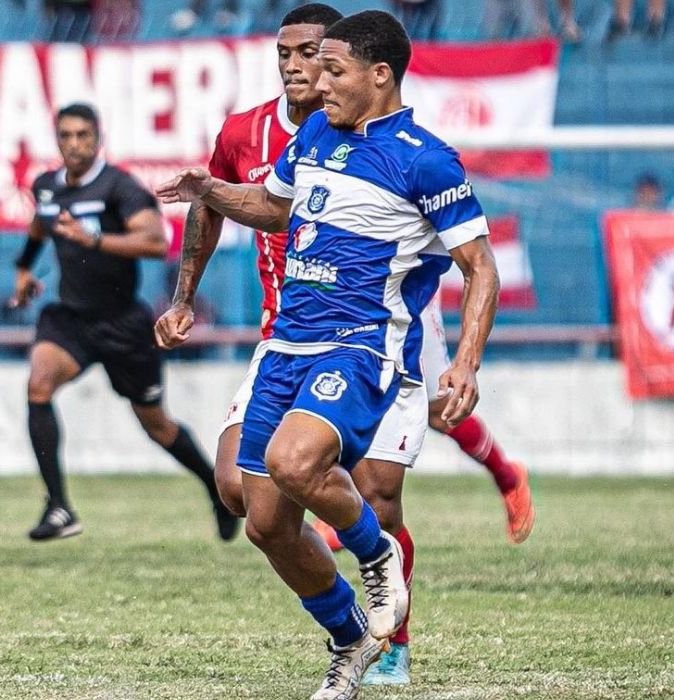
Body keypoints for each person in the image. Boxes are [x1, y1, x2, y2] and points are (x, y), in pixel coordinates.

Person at [157, 1, 530, 686]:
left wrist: (466, 364)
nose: (316, 83)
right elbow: (273, 206)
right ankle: (351, 638)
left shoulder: (427, 162)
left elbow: (482, 267)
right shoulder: (315, 138)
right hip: (286, 343)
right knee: (254, 509)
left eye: (331, 69)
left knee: (297, 464)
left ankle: (376, 553)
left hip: (360, 346)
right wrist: (209, 189)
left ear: (379, 75)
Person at [11, 103, 237, 543]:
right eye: (66, 136)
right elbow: (40, 226)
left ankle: (214, 488)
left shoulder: (119, 187)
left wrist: (94, 239)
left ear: (98, 139)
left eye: (83, 136)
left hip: (122, 325)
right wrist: (23, 268)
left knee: (156, 425)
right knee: (38, 385)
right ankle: (59, 508)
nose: (75, 144)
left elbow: (156, 242)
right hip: (71, 319)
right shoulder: (46, 188)